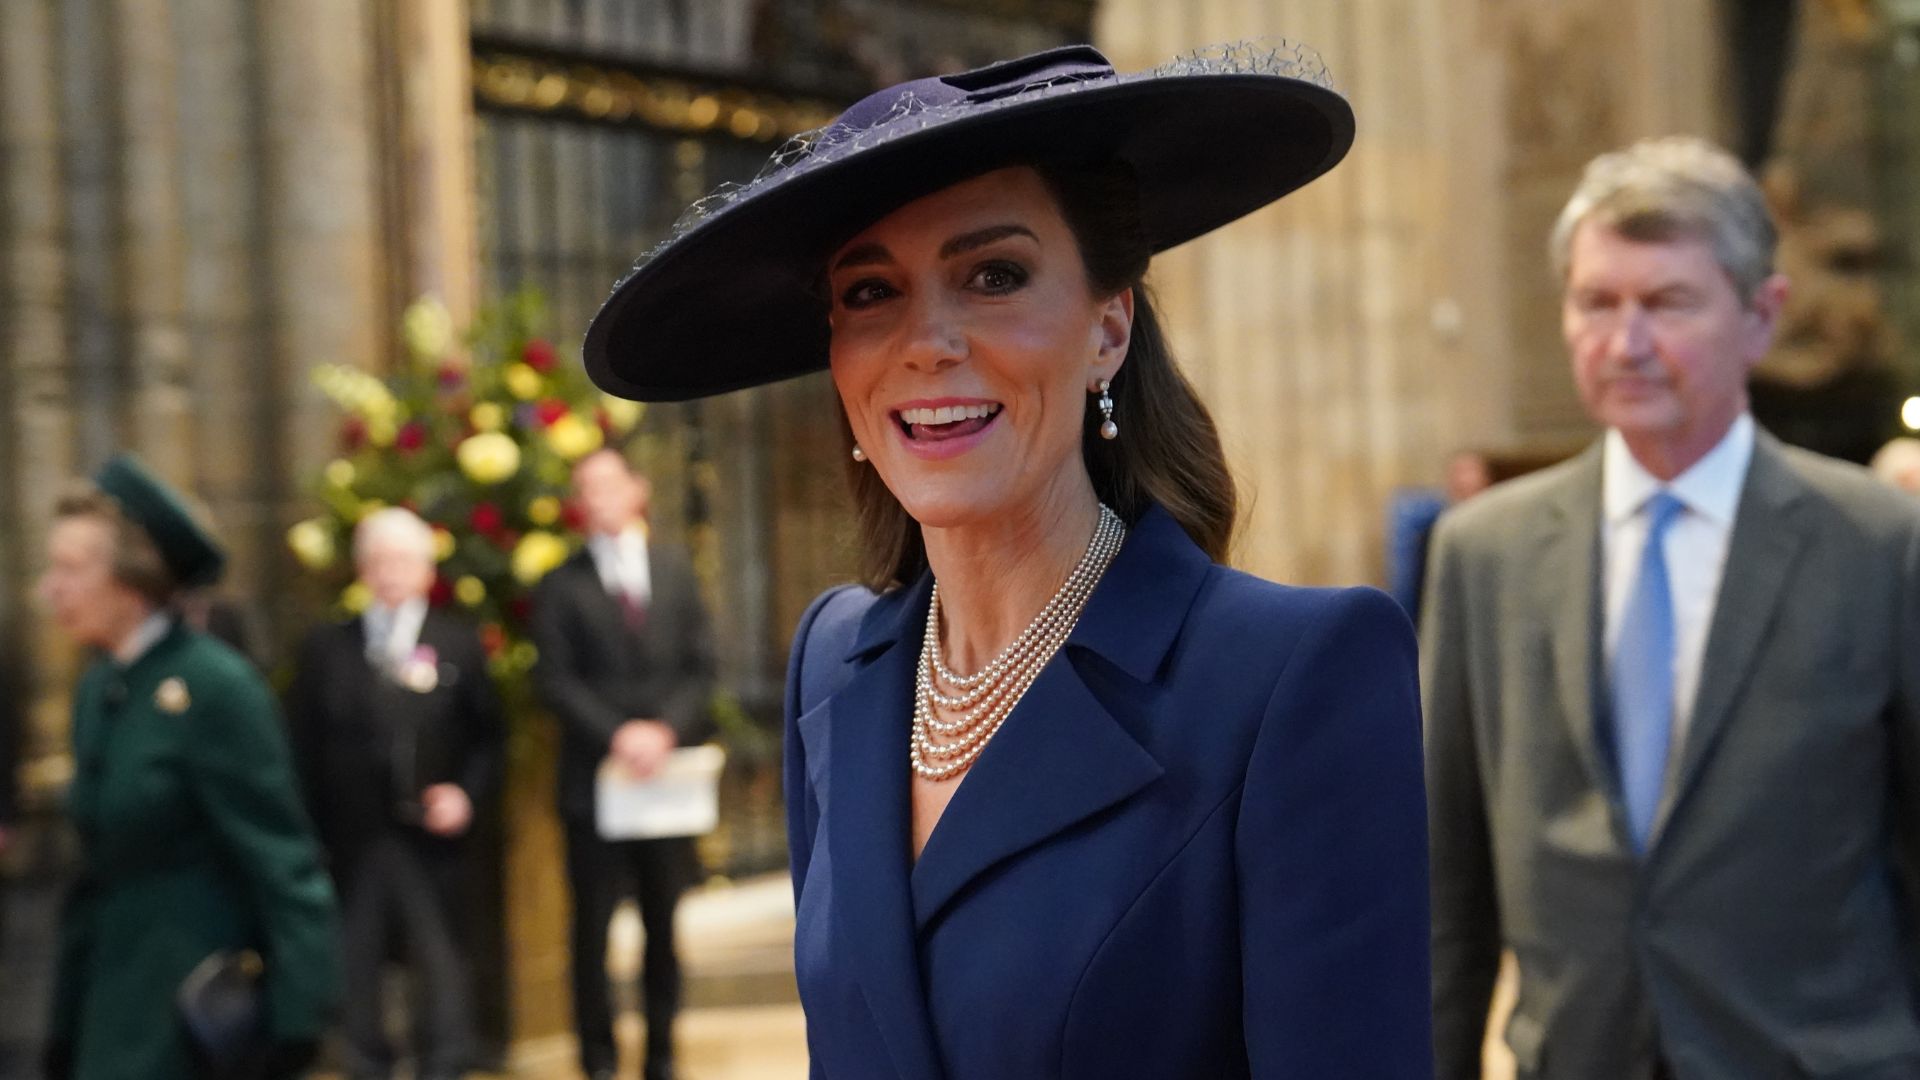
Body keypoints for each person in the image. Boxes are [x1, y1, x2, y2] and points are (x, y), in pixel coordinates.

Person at [581, 43, 1430, 1079]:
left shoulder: (1294, 674)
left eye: (994, 276)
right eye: (870, 292)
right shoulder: (834, 661)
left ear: (1108, 329)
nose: (927, 342)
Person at [1424, 137, 1920, 1080]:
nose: (1627, 343)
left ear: (1761, 316)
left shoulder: (1881, 545)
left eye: (1667, 303)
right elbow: (1448, 891)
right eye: (1596, 302)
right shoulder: (1483, 555)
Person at [39, 455, 339, 1079]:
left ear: (132, 578)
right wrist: (64, 1025)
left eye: (69, 568)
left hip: (189, 1013)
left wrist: (297, 1021)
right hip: (111, 998)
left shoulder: (214, 685)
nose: (50, 589)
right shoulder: (101, 686)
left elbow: (284, 863)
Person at [286, 507, 503, 1080]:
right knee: (356, 960)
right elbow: (301, 743)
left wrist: (466, 795)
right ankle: (366, 1065)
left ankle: (444, 1063)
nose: (389, 573)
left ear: (427, 570)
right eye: (378, 561)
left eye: (402, 560)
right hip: (352, 838)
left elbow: (488, 738)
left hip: (431, 840)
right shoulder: (327, 647)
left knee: (439, 960)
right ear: (361, 570)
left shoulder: (457, 642)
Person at [530, 448, 717, 1080]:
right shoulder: (561, 583)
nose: (600, 497)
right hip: (595, 783)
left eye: (609, 484)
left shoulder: (674, 570)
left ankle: (662, 1055)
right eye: (587, 489)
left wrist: (664, 730)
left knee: (663, 922)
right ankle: (599, 1060)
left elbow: (701, 668)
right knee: (592, 929)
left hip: (663, 783)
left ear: (637, 490)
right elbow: (555, 680)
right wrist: (619, 735)